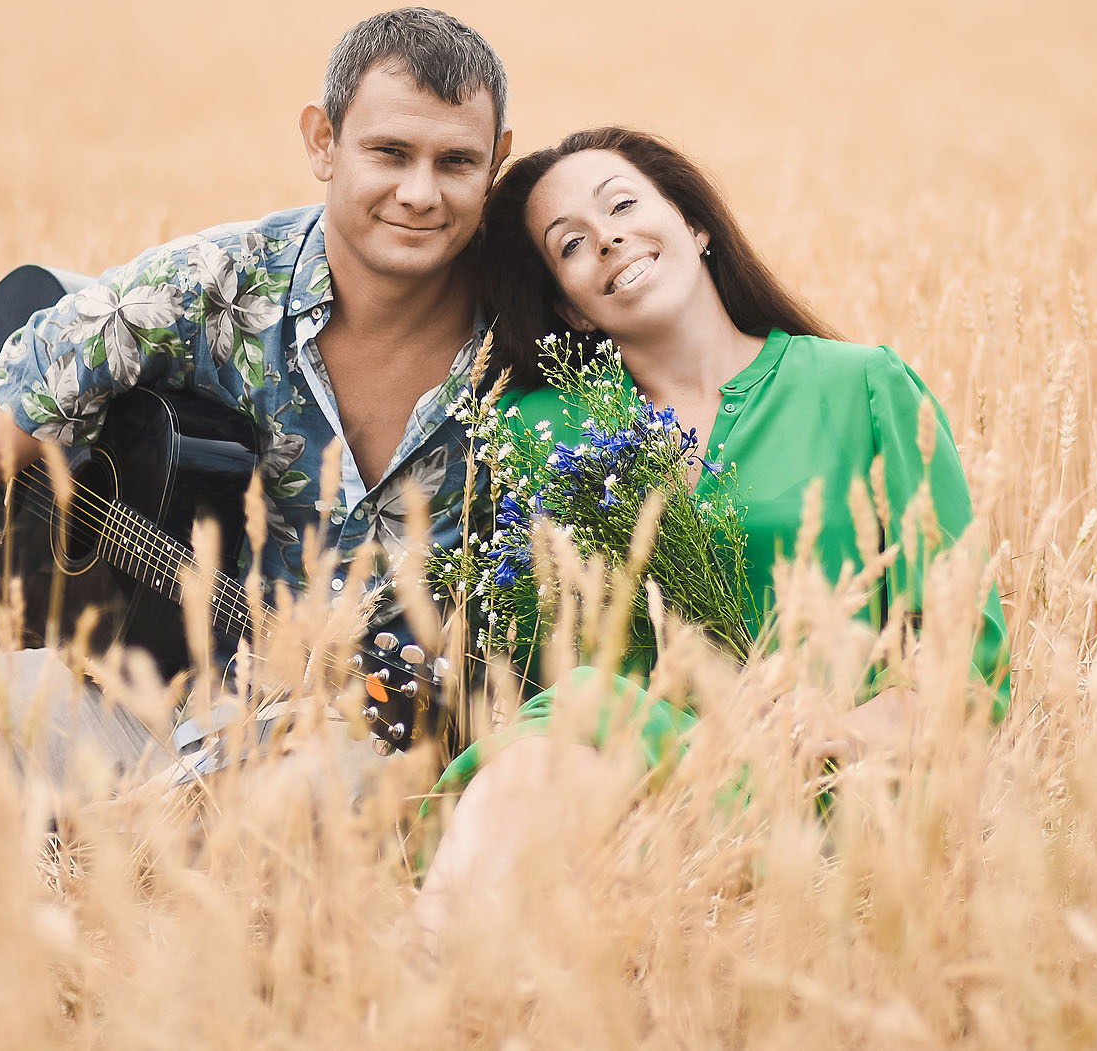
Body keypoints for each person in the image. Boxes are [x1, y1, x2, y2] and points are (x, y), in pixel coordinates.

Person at [0, 7, 512, 790]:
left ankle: (106, 848)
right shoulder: (212, 284)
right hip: (129, 706)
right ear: (323, 141)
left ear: (497, 162)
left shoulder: (526, 342)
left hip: (357, 755)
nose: (419, 192)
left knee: (310, 795)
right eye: (389, 152)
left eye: (456, 161)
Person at [418, 126, 1007, 920]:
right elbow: (522, 653)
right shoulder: (538, 430)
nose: (608, 237)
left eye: (622, 204)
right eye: (571, 245)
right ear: (571, 308)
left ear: (696, 227)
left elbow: (968, 665)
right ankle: (437, 982)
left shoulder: (858, 387)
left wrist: (826, 726)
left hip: (822, 780)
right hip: (625, 762)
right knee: (554, 755)